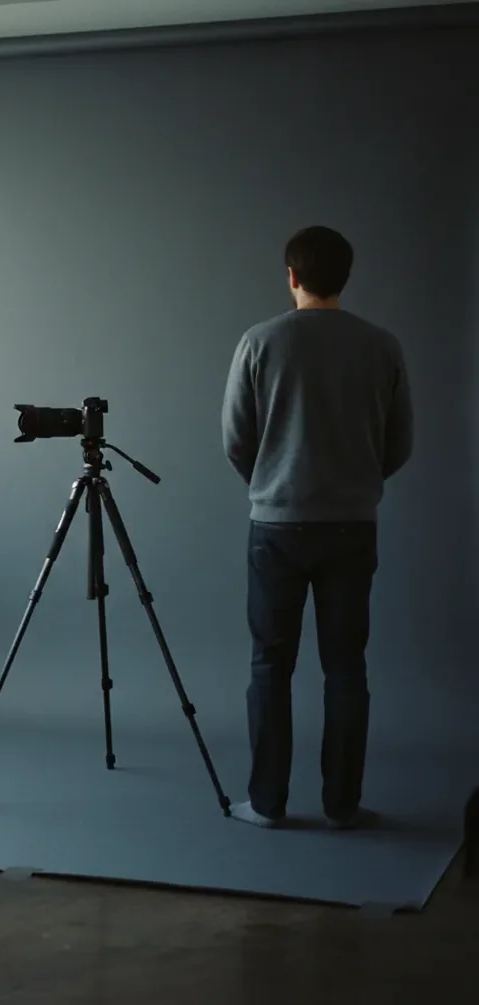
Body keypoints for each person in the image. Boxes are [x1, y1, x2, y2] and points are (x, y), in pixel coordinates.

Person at [220, 225, 413, 830]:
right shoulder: (382, 346)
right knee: (346, 666)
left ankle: (268, 802)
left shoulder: (259, 341)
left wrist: (274, 481)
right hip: (352, 525)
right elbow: (399, 444)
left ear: (292, 276)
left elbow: (235, 439)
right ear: (345, 278)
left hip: (276, 527)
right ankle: (343, 804)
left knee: (269, 666)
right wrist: (355, 481)